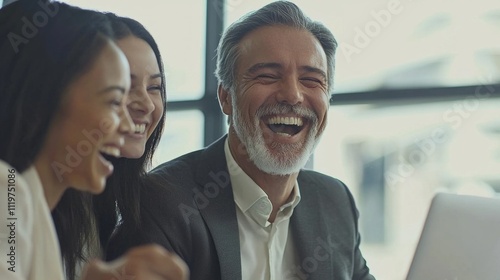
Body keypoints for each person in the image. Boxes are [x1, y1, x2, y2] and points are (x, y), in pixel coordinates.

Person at [107, 1, 375, 280]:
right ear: (226, 98)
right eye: (268, 76)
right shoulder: (163, 202)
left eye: (311, 80)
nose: (293, 95)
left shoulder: (335, 201)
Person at [0, 1, 187, 280]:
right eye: (114, 99)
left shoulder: (32, 199)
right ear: (43, 101)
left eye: (155, 87)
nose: (128, 119)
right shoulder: (10, 195)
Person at [51, 13, 168, 280]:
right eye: (122, 87)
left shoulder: (122, 199)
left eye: (155, 87)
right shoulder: (14, 195)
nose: (147, 105)